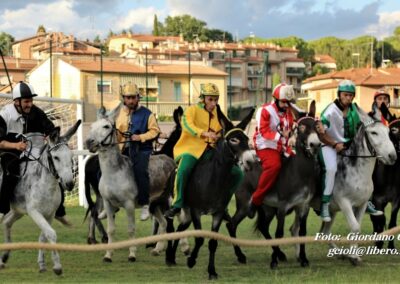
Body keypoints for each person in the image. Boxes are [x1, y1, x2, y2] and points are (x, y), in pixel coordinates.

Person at [164, 83, 244, 218]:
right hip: (190, 149)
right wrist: (204, 133)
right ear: (203, 99)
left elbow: (227, 128)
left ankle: (222, 205)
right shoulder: (192, 110)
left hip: (211, 151)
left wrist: (223, 135)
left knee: (237, 174)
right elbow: (186, 125)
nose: (214, 103)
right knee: (183, 170)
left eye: (216, 99)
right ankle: (177, 205)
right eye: (210, 99)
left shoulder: (218, 113)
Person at [0, 81, 71, 226]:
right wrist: (15, 145)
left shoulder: (36, 112)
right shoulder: (4, 115)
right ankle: (3, 209)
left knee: (52, 170)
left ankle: (59, 211)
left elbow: (50, 129)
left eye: (31, 101)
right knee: (10, 171)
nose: (29, 104)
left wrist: (50, 136)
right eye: (26, 101)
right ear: (16, 102)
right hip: (9, 152)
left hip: (31, 150)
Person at [315, 79, 383, 222]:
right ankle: (325, 204)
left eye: (351, 95)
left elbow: (366, 123)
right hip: (329, 146)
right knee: (332, 169)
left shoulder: (354, 109)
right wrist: (334, 144)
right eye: (346, 95)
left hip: (348, 147)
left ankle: (366, 200)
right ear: (339, 94)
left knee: (369, 164)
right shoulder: (330, 111)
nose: (349, 98)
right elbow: (321, 134)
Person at [247, 83, 296, 219]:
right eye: (284, 102)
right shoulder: (265, 110)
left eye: (289, 102)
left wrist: (291, 135)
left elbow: (290, 128)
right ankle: (255, 200)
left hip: (282, 146)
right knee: (274, 165)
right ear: (276, 99)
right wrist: (281, 136)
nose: (287, 105)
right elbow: (263, 131)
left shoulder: (289, 113)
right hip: (265, 145)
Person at [115, 82, 160, 221]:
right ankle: (111, 203)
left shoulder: (148, 114)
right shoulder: (118, 114)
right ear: (124, 98)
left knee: (140, 170)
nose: (131, 100)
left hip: (142, 150)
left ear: (138, 98)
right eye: (128, 98)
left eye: (133, 97)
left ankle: (145, 204)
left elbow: (155, 131)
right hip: (122, 149)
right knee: (103, 168)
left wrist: (139, 137)